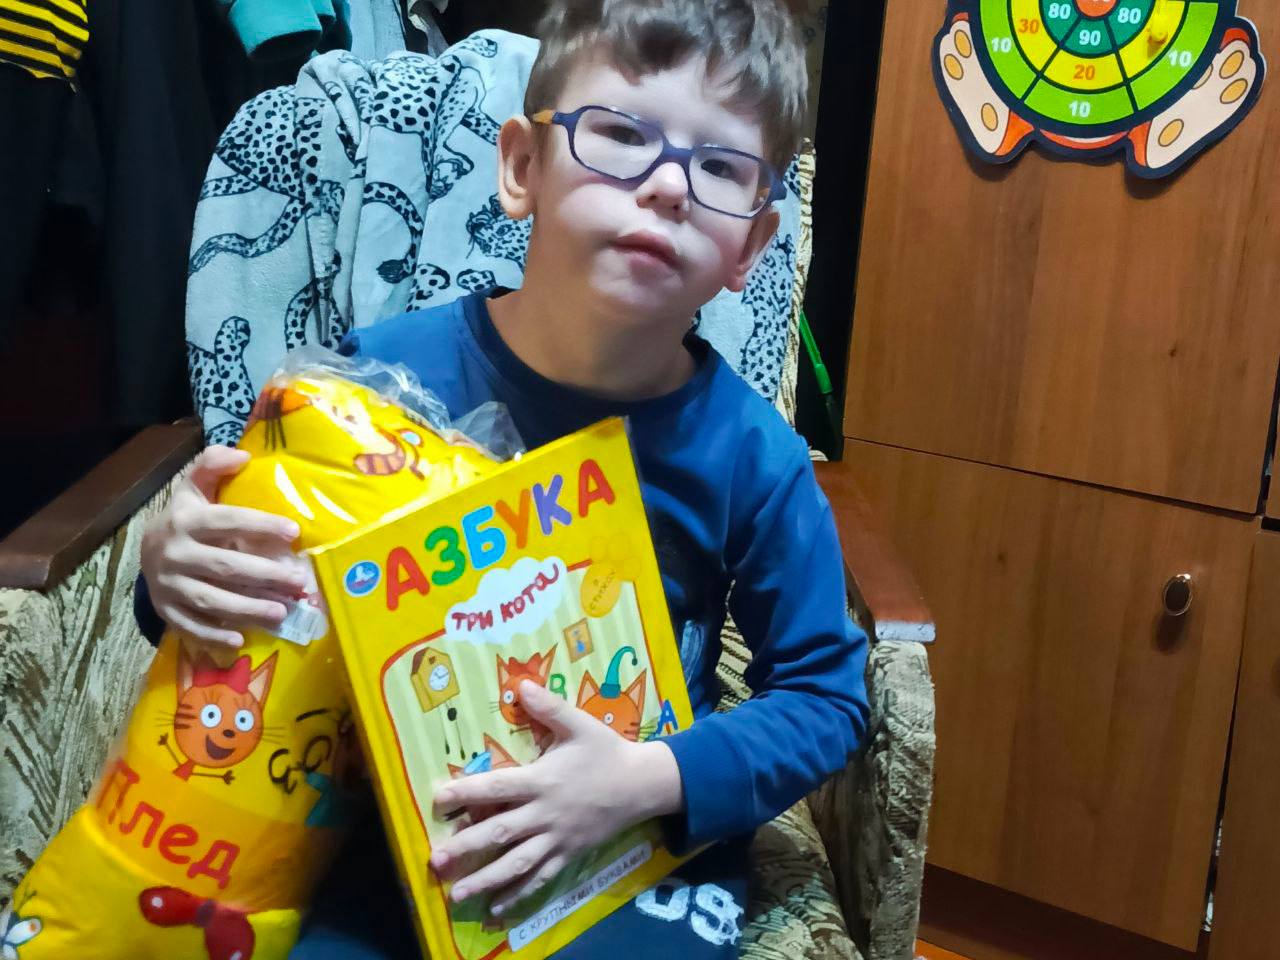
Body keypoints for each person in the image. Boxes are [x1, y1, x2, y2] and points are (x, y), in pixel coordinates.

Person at [138, 1, 870, 956]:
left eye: (722, 167)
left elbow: (826, 698)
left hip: (628, 840)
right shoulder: (368, 383)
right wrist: (173, 571)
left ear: (751, 247)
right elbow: (245, 609)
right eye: (621, 135)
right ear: (522, 166)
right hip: (382, 832)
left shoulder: (756, 455)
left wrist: (652, 780)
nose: (667, 187)